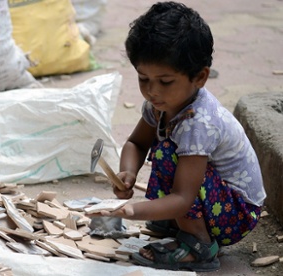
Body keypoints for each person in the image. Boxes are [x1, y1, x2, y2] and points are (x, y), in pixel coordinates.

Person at [91, 1, 267, 272]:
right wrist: (127, 172)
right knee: (168, 153)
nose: (152, 91)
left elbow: (184, 197)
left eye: (165, 81)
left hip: (237, 212)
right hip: (213, 199)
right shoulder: (160, 105)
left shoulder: (198, 123)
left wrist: (134, 210)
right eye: (143, 79)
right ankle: (179, 221)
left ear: (200, 77)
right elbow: (136, 143)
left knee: (167, 154)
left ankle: (199, 244)